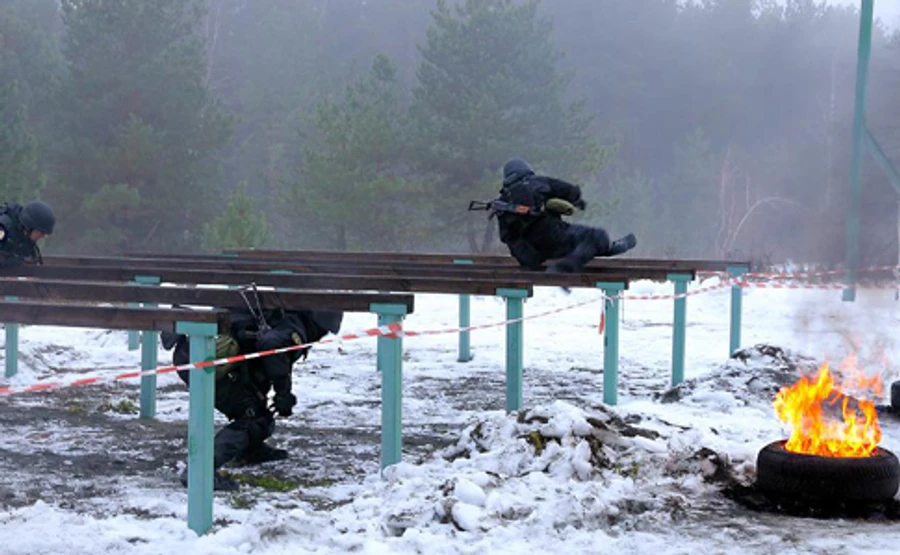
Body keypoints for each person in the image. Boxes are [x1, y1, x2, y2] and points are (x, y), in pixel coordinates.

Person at [161, 305, 343, 491]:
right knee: (253, 421)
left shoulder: (278, 311)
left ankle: (248, 450)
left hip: (199, 353)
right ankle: (200, 471)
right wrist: (283, 393)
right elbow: (272, 344)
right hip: (208, 361)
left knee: (259, 412)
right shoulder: (292, 325)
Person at [493, 159, 636, 273]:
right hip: (555, 236)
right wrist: (577, 200)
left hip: (534, 253)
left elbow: (507, 238)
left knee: (584, 244)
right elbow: (568, 189)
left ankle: (606, 248)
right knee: (597, 236)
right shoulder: (536, 182)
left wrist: (529, 261)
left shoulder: (502, 202)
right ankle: (566, 267)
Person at [0, 200, 55, 269]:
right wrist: (12, 261)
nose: (43, 236)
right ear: (29, 227)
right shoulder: (3, 228)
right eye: (41, 232)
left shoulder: (25, 238)